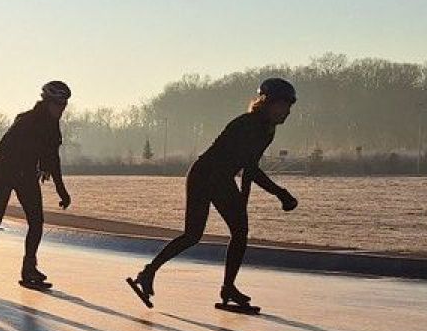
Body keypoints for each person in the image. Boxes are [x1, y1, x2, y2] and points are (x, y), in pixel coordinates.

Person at [127, 77, 299, 314]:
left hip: (221, 178)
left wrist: (243, 203)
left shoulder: (267, 130)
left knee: (239, 232)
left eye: (290, 106)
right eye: (284, 105)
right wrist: (281, 193)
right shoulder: (248, 124)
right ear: (267, 102)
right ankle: (148, 273)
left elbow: (248, 169)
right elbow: (251, 169)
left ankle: (228, 288)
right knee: (193, 235)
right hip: (205, 175)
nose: (288, 111)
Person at [0, 81, 72, 289]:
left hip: (26, 173)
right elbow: (2, 145)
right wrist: (26, 160)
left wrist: (62, 191)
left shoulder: (53, 127)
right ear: (47, 102)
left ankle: (29, 268)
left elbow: (53, 160)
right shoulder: (26, 120)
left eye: (64, 105)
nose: (62, 109)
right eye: (58, 104)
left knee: (37, 222)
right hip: (6, 170)